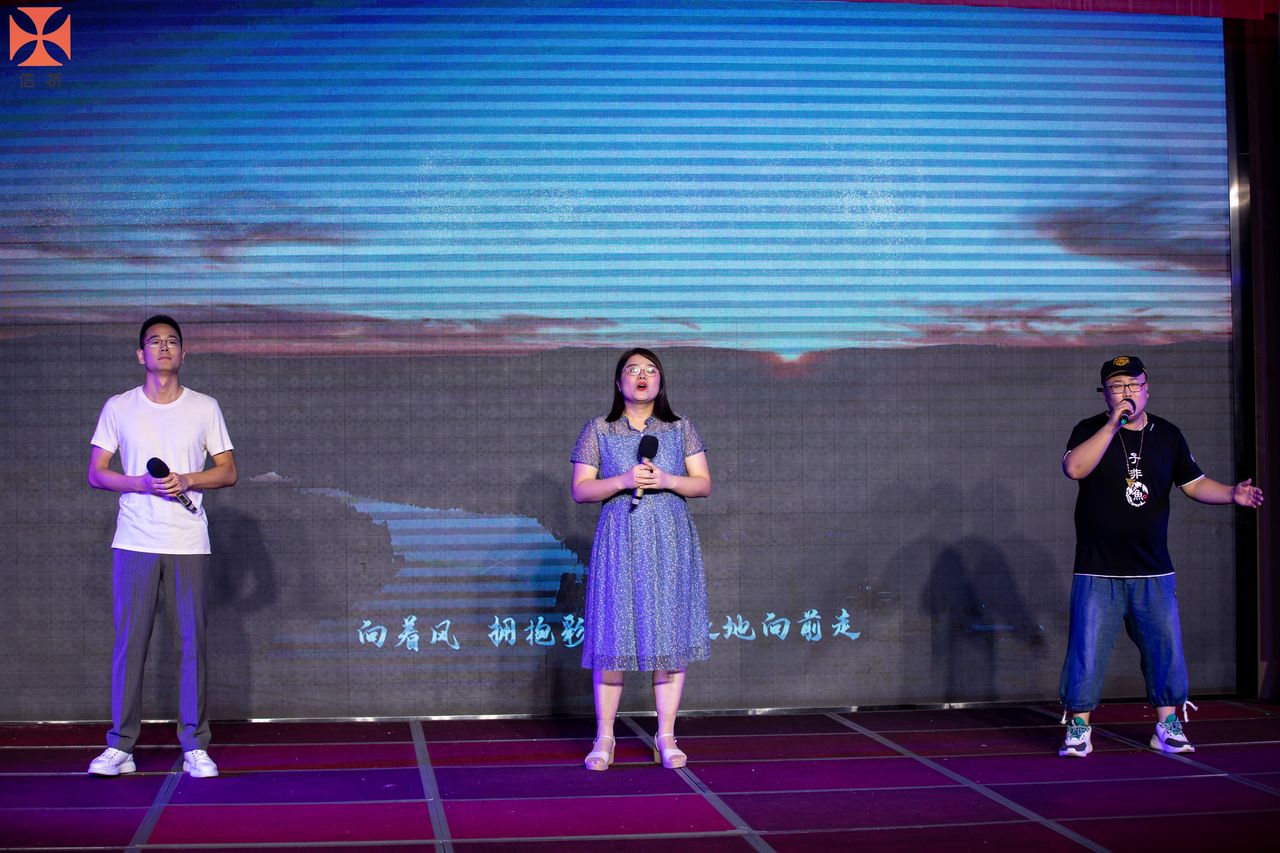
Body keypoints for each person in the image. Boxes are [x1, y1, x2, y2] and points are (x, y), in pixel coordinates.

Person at [1058, 355, 1263, 757]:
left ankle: (1168, 724)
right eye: (1117, 387)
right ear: (1105, 394)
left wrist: (1232, 494)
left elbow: (1195, 484)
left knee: (1164, 650)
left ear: (1147, 389)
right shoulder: (1089, 429)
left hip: (1152, 569)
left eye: (1133, 385)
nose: (1127, 392)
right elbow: (1075, 469)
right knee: (1087, 651)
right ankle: (1079, 727)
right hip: (1098, 568)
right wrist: (1111, 424)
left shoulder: (1167, 435)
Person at [85, 316, 237, 779]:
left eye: (172, 342)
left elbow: (227, 471)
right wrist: (141, 484)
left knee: (191, 644)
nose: (164, 348)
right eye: (154, 342)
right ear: (141, 354)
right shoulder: (119, 407)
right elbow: (97, 472)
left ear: (184, 353)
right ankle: (120, 746)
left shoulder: (205, 407)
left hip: (188, 542)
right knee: (130, 643)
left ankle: (194, 746)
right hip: (134, 542)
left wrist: (187, 479)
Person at [571, 348, 712, 771]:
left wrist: (666, 479)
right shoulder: (599, 428)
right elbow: (581, 490)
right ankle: (605, 737)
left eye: (650, 370)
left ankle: (666, 735)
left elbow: (703, 484)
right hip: (619, 539)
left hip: (669, 540)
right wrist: (622, 480)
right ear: (619, 383)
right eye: (632, 370)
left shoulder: (680, 427)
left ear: (660, 382)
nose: (642, 376)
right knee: (612, 638)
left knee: (668, 638)